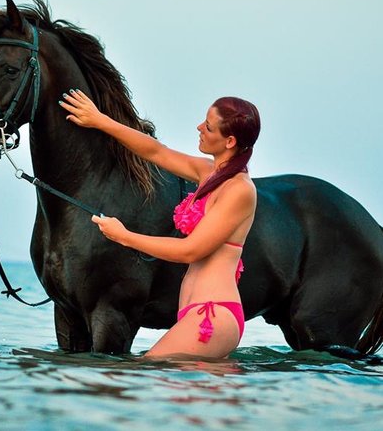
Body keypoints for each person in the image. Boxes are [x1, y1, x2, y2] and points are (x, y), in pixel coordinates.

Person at [59, 89, 261, 360]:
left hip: (212, 315)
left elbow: (190, 250)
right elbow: (156, 152)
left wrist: (124, 236)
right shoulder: (208, 172)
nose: (199, 127)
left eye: (209, 126)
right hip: (193, 311)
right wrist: (99, 120)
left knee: (145, 369)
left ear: (230, 141)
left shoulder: (239, 190)